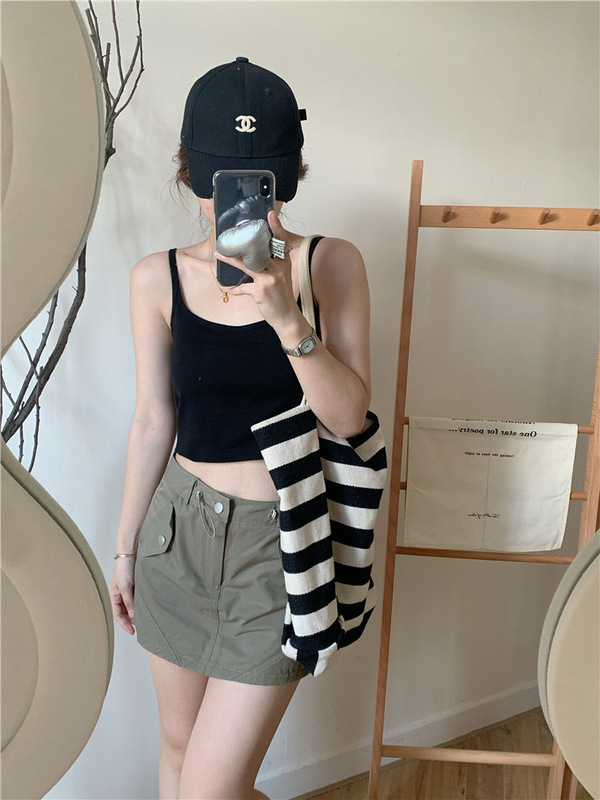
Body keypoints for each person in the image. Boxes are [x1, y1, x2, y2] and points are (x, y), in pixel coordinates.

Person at [110, 56, 372, 800]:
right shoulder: (155, 278)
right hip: (177, 536)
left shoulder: (330, 265)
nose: (241, 199)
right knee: (177, 754)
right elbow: (152, 420)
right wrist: (125, 548)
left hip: (280, 545)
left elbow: (349, 417)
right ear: (192, 174)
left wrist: (287, 317)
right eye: (222, 180)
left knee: (210, 789)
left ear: (288, 178)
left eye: (261, 181)